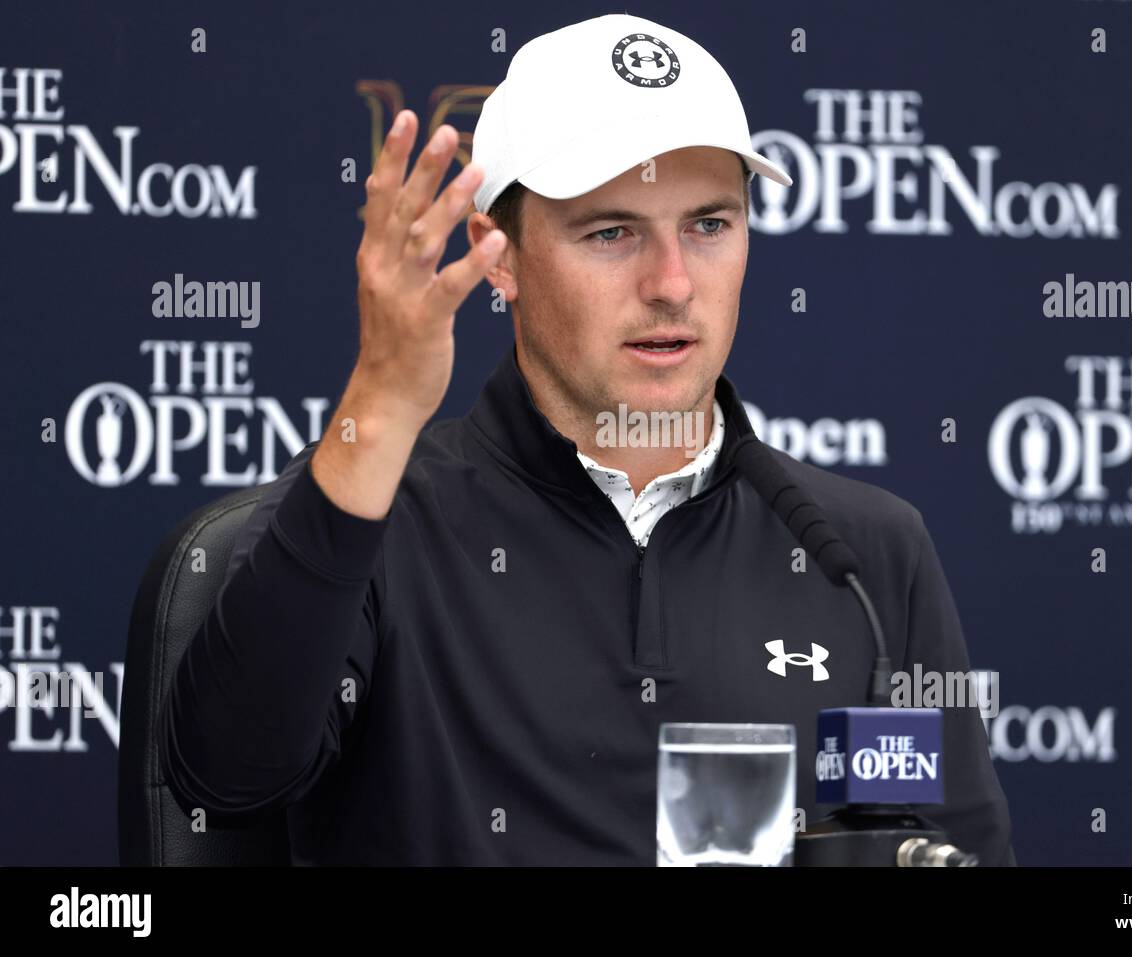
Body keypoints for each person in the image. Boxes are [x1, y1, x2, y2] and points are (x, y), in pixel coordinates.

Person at [159, 13, 1015, 866]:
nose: (672, 283)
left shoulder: (863, 554)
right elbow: (227, 775)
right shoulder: (374, 511)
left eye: (709, 225)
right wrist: (379, 404)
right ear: (498, 254)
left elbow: (934, 848)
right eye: (612, 232)